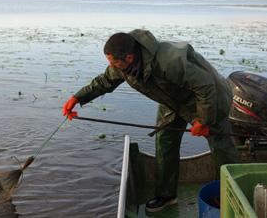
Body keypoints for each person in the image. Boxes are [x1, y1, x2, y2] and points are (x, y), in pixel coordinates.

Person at [62, 29, 239, 212]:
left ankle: (232, 195)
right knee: (165, 140)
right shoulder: (122, 67)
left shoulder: (169, 61)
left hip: (209, 98)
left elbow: (205, 86)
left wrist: (204, 120)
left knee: (221, 146)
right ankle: (166, 195)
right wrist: (77, 98)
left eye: (113, 61)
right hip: (172, 100)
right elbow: (104, 81)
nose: (111, 66)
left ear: (129, 58)